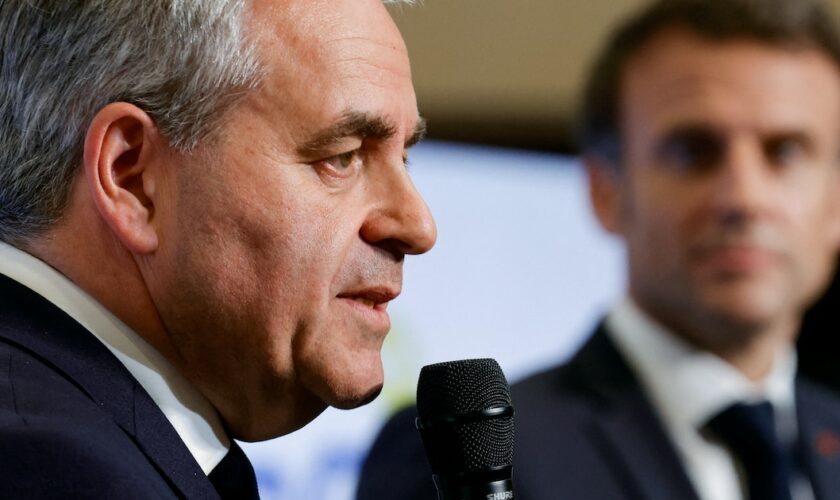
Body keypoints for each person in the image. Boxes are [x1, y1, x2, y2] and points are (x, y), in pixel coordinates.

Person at [356, 0, 840, 499]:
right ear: (604, 190)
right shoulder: (465, 454)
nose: (744, 198)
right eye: (693, 150)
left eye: (785, 151)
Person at [0, 0, 436, 498]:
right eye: (343, 157)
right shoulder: (48, 470)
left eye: (403, 157)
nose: (419, 226)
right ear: (134, 180)